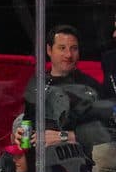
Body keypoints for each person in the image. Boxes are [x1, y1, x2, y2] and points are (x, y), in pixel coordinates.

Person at [23, 24, 114, 154]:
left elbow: (107, 131)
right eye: (62, 48)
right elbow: (28, 120)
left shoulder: (90, 87)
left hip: (77, 161)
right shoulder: (37, 83)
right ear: (49, 50)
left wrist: (64, 137)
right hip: (38, 159)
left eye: (74, 49)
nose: (68, 55)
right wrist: (21, 133)